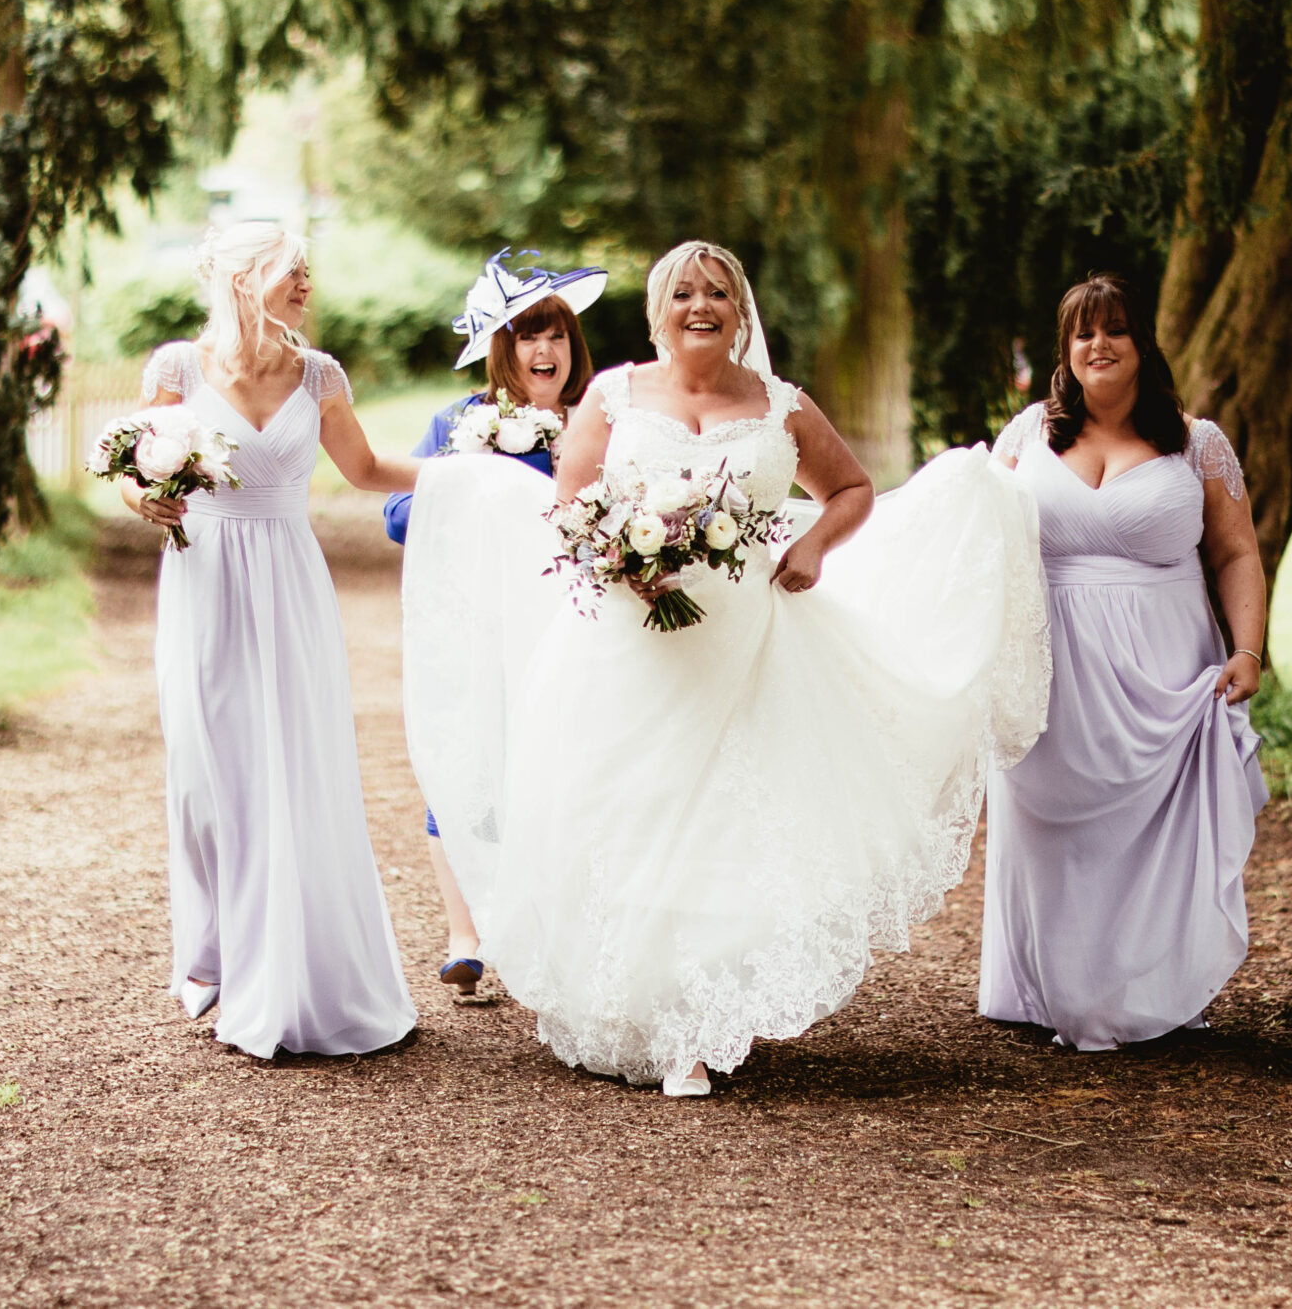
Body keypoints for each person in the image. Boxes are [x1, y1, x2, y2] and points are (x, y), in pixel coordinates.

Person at [399, 241, 1050, 1096]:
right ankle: (645, 1008)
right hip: (630, 650)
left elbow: (850, 488)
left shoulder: (779, 404)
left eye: (716, 291)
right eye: (681, 292)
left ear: (740, 311)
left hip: (748, 643)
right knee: (637, 818)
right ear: (655, 312)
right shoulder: (614, 395)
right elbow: (566, 513)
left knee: (724, 828)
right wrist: (621, 560)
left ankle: (696, 1021)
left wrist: (814, 544)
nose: (698, 304)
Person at [123, 221, 424, 1059]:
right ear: (245, 275)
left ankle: (289, 967)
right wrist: (141, 498)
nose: (306, 285)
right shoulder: (178, 368)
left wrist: (474, 470)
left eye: (306, 272)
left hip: (290, 582)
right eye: (292, 271)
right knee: (204, 771)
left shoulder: (317, 372)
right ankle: (215, 950)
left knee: (291, 766)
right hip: (203, 576)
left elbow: (365, 471)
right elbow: (135, 466)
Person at [979, 273, 1269, 1050]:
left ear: (1143, 344)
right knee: (1055, 836)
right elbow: (977, 545)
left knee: (1154, 837)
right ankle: (1056, 991)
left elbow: (1237, 551)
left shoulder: (1195, 441)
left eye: (1115, 329)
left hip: (1167, 675)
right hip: (1053, 670)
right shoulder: (1027, 437)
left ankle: (1156, 989)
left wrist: (1247, 648)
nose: (1098, 345)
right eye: (1082, 332)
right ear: (1065, 350)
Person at [382, 251, 605, 995]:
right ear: (500, 349)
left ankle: (558, 929)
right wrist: (470, 485)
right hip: (481, 623)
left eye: (557, 337)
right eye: (527, 336)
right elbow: (397, 513)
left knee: (568, 766)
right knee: (468, 761)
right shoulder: (460, 422)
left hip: (571, 621)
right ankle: (464, 931)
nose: (545, 352)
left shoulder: (599, 422)